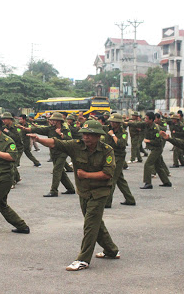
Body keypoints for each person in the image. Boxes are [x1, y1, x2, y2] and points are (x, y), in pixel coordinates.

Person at [29, 120, 120, 271]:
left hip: (100, 192)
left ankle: (83, 260)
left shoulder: (106, 150)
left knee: (90, 224)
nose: (86, 137)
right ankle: (111, 250)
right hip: (83, 191)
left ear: (98, 136)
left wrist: (86, 174)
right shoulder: (76, 145)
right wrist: (38, 139)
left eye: (90, 134)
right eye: (84, 134)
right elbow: (56, 143)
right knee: (95, 222)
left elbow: (107, 173)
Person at [20, 112, 75, 197]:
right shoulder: (50, 129)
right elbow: (39, 129)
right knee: (61, 172)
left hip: (62, 153)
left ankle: (53, 191)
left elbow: (70, 139)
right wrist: (27, 129)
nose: (51, 121)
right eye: (51, 120)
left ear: (59, 121)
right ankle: (70, 188)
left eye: (54, 120)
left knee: (56, 170)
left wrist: (61, 134)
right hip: (54, 153)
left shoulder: (65, 129)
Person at [127, 112, 172, 189]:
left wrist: (149, 141)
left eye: (146, 119)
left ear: (151, 120)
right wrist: (127, 123)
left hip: (157, 148)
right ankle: (166, 182)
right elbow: (137, 124)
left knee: (148, 164)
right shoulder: (146, 124)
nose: (145, 120)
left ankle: (148, 183)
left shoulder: (156, 129)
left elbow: (158, 141)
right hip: (153, 148)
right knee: (158, 166)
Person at [103, 114, 135, 208]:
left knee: (111, 178)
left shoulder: (124, 132)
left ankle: (107, 202)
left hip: (118, 156)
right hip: (109, 155)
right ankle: (130, 199)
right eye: (111, 121)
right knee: (120, 179)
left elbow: (121, 144)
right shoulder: (107, 128)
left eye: (114, 122)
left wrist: (113, 135)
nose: (112, 123)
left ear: (119, 123)